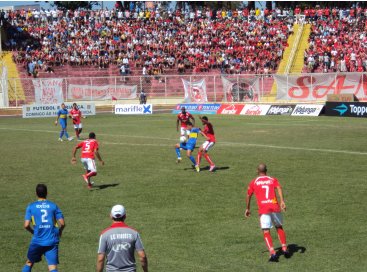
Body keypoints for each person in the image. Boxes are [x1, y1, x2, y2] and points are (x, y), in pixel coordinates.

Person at [245, 164, 289, 262]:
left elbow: (248, 195)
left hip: (264, 209)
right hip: (274, 206)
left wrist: (247, 209)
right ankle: (284, 248)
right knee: (279, 227)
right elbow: (279, 188)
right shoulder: (272, 179)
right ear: (266, 170)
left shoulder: (254, 182)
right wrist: (282, 201)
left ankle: (272, 253)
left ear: (257, 171)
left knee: (266, 231)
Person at [22, 184, 65, 272]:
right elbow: (62, 223)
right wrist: (60, 231)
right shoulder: (53, 206)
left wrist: (32, 231)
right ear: (47, 193)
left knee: (29, 262)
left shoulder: (31, 206)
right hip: (52, 241)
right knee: (52, 267)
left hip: (37, 241)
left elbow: (26, 225)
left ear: (36, 193)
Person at [97, 204, 148, 272]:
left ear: (111, 216)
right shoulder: (134, 233)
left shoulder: (104, 234)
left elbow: (100, 259)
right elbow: (142, 257)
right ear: (125, 216)